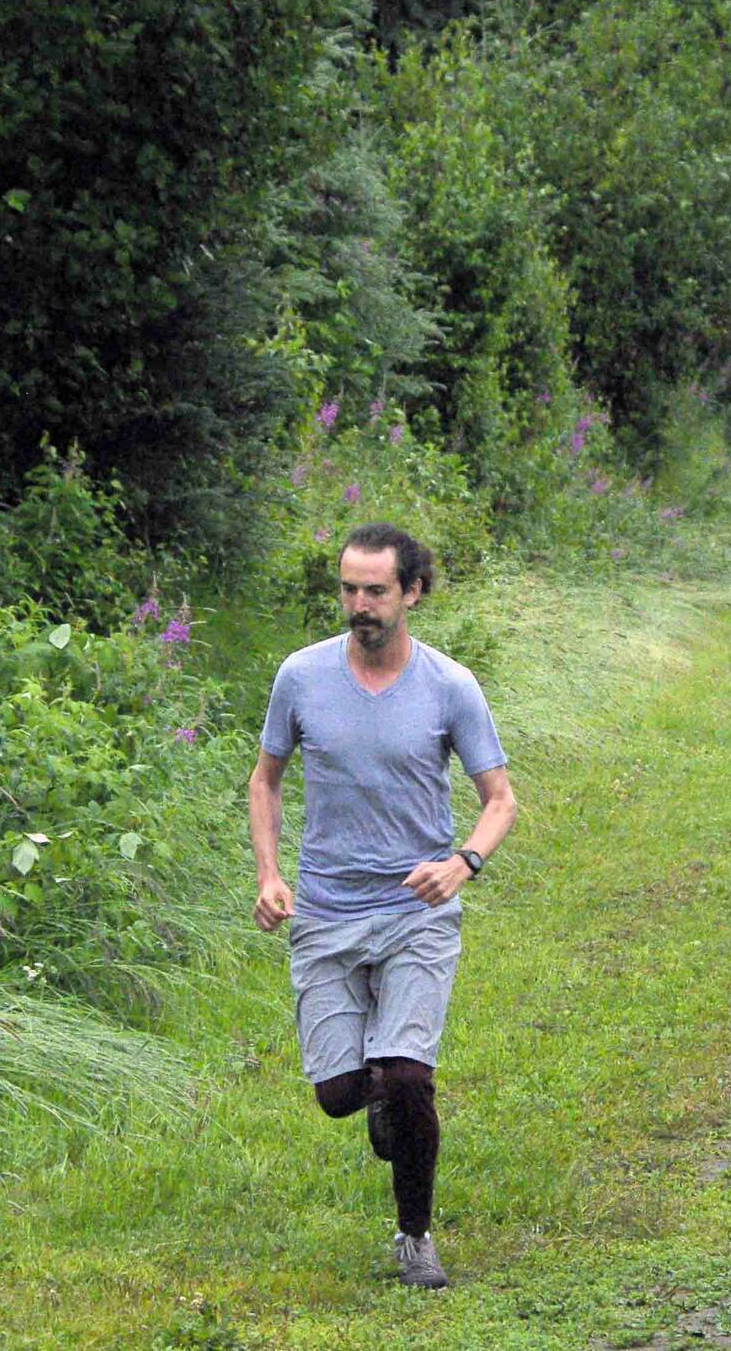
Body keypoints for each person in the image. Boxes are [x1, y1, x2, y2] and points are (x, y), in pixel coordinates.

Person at [250, 523, 517, 1291]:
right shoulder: (301, 676)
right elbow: (265, 779)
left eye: (375, 590)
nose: (359, 604)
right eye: (349, 589)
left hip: (414, 911)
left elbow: (499, 800)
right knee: (340, 1094)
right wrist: (269, 874)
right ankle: (377, 1094)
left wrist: (463, 862)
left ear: (412, 592)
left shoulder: (449, 685)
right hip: (327, 910)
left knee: (406, 1076)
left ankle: (415, 1235)